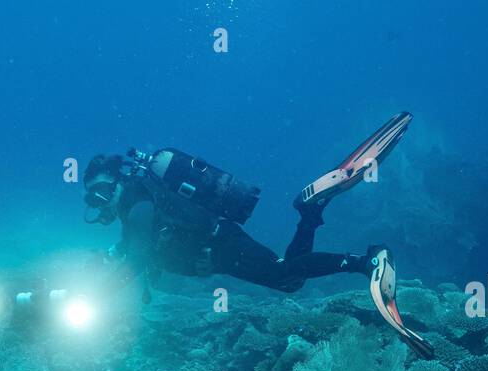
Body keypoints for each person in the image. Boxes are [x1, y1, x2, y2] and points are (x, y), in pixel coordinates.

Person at [82, 112, 434, 357]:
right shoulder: (138, 208)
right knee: (288, 277)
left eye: (99, 192)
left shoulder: (136, 202)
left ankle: (366, 261)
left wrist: (97, 295)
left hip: (220, 247)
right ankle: (310, 209)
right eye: (91, 198)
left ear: (117, 181)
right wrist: (112, 256)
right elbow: (140, 247)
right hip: (218, 248)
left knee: (284, 274)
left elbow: (140, 257)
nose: (98, 204)